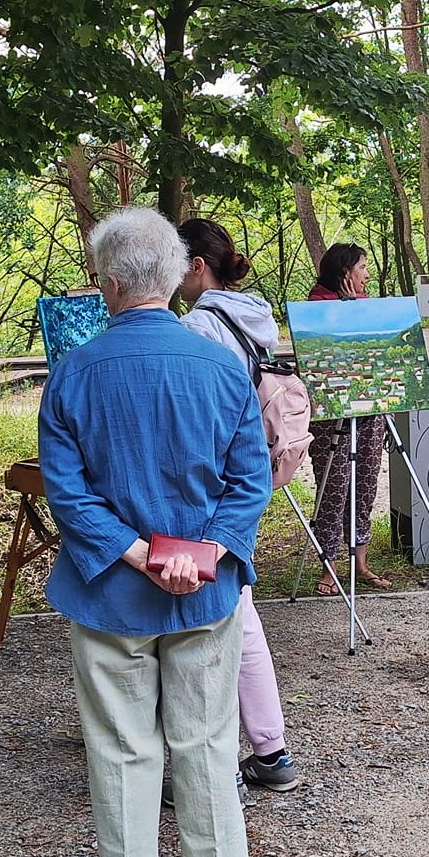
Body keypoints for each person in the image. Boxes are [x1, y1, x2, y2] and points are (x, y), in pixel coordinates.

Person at [38, 207, 272, 857]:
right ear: (175, 278)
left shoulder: (74, 371)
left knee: (119, 754)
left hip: (109, 594)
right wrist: (199, 552)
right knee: (206, 749)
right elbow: (249, 479)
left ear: (108, 284)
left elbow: (66, 492)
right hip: (202, 594)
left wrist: (136, 553)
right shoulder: (221, 367)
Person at [175, 217, 303, 794]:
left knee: (212, 620)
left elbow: (194, 411)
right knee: (240, 609)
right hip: (250, 468)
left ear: (197, 265)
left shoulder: (200, 327)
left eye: (178, 265)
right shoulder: (254, 313)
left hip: (210, 475)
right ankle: (270, 752)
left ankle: (219, 764)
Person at [304, 243, 391, 596]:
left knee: (365, 484)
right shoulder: (316, 308)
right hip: (332, 416)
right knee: (333, 487)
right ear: (344, 272)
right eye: (362, 268)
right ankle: (329, 568)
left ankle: (361, 564)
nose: (367, 275)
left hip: (370, 409)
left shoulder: (365, 305)